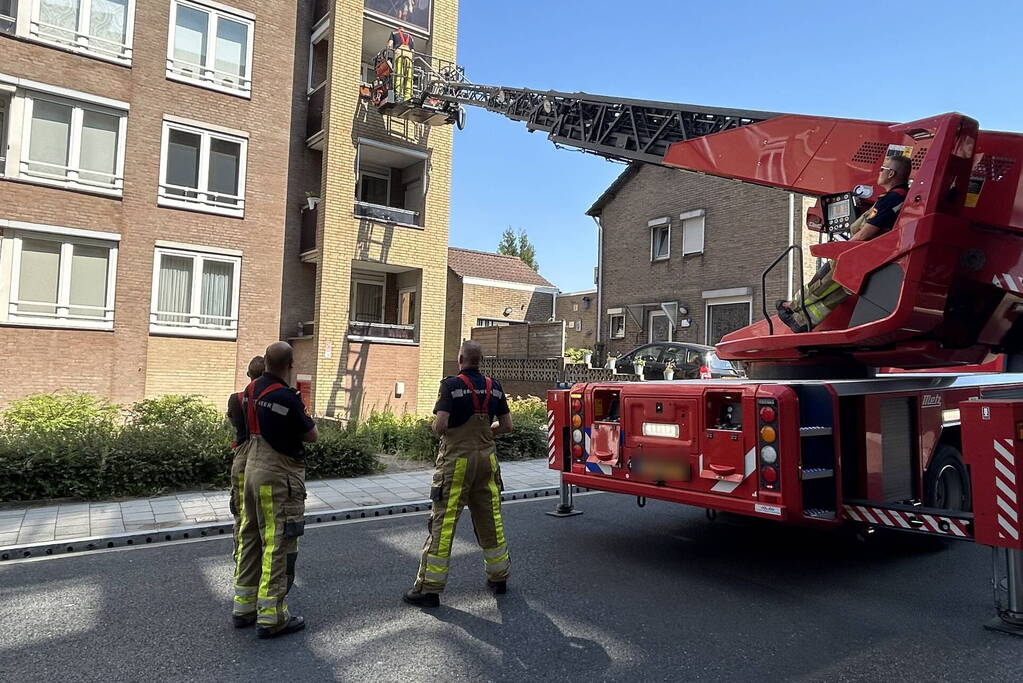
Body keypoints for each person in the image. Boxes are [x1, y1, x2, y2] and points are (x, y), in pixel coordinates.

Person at [403, 340, 514, 608]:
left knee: (444, 523)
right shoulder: (494, 387)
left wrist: (434, 427)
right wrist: (488, 432)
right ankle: (499, 577)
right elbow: (508, 426)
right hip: (487, 462)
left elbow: (440, 426)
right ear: (480, 360)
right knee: (490, 518)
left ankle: (429, 589)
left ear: (460, 358)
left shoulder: (450, 385)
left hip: (457, 464)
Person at [231, 342, 318, 638]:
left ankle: (243, 606)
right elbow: (311, 435)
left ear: (265, 362)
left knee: (251, 536)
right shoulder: (286, 397)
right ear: (290, 364)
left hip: (250, 471)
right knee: (277, 542)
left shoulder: (248, 393)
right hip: (278, 477)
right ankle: (272, 616)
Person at [777, 154, 912, 333]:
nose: (879, 172)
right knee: (837, 292)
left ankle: (794, 308)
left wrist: (843, 250)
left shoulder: (890, 199)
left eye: (882, 169)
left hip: (860, 254)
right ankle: (801, 319)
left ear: (891, 174)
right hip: (875, 257)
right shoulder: (904, 197)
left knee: (823, 282)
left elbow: (866, 232)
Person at [227, 355, 265, 580]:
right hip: (265, 459)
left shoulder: (236, 399)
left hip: (242, 458)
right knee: (265, 516)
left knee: (242, 515)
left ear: (249, 374)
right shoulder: (274, 398)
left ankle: (241, 564)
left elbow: (234, 422)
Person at [386, 26, 415, 101]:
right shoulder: (410, 36)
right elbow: (412, 50)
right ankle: (408, 96)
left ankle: (398, 93)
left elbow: (389, 44)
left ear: (398, 29)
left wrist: (387, 51)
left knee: (399, 73)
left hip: (399, 53)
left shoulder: (394, 33)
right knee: (408, 76)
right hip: (409, 54)